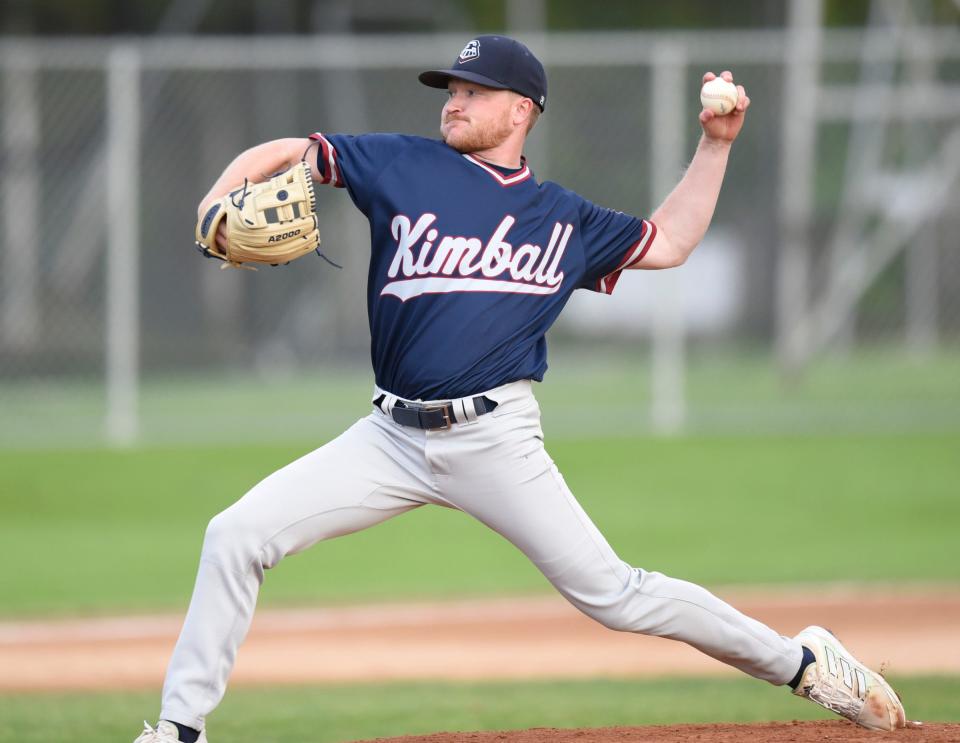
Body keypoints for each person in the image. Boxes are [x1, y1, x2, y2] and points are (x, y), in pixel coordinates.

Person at [134, 35, 907, 743]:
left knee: (616, 595)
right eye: (451, 88)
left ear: (521, 108)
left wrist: (714, 144)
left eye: (473, 89)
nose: (454, 100)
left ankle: (803, 662)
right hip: (389, 438)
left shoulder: (560, 218)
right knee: (235, 534)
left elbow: (668, 241)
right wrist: (215, 200)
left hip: (495, 438)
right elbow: (290, 151)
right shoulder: (400, 162)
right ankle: (178, 728)